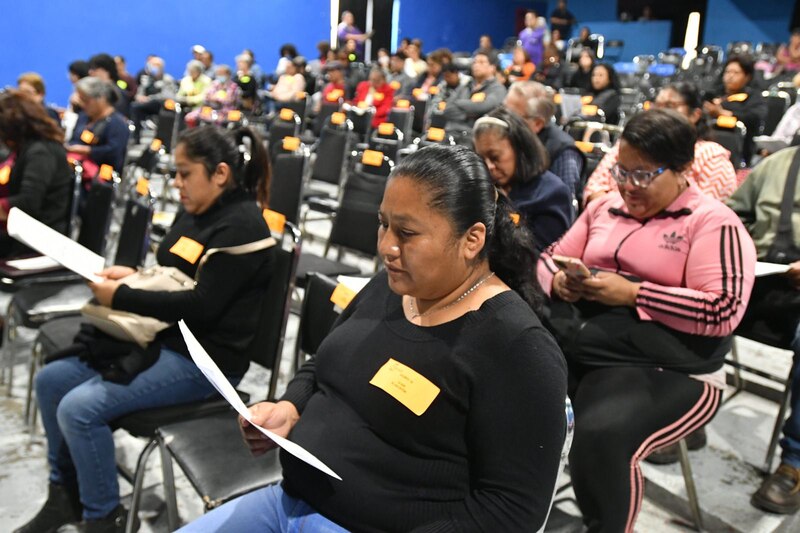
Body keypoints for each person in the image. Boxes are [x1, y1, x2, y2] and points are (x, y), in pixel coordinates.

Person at [178, 144, 568, 533]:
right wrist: (291, 406)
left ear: (472, 240)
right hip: (288, 502)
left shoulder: (518, 346)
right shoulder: (392, 286)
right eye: (384, 225)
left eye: (407, 233)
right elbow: (322, 364)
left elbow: (511, 511)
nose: (385, 247)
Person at [14, 125, 274, 533]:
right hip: (161, 338)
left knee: (79, 410)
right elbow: (173, 274)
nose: (177, 184)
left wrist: (119, 296)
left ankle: (102, 518)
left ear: (220, 174)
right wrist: (132, 275)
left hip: (205, 360)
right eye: (175, 173)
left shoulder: (244, 227)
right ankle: (64, 496)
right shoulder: (199, 212)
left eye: (185, 173)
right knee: (51, 381)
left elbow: (201, 306)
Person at [537, 109, 755, 532]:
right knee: (509, 394)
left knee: (602, 437)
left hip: (672, 365)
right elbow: (548, 258)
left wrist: (636, 292)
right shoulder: (604, 208)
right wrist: (561, 281)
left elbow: (723, 310)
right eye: (622, 170)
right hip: (594, 344)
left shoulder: (712, 223)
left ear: (682, 170)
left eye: (643, 175)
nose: (628, 186)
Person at [726, 147, 800, 515]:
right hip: (764, 274)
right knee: (703, 296)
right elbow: (731, 215)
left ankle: (796, 461)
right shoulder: (777, 164)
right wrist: (744, 250)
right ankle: (684, 412)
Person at [585, 82, 738, 206]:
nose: (661, 112)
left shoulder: (712, 156)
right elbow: (594, 188)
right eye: (657, 105)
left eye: (670, 106)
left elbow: (708, 214)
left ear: (695, 115)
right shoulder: (629, 145)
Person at [473, 107, 573, 251]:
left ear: (520, 150)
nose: (488, 166)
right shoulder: (481, 188)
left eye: (495, 157)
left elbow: (540, 258)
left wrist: (502, 209)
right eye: (482, 159)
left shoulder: (552, 194)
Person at [0, 90, 72, 257]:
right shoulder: (28, 147)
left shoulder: (41, 151)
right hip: (24, 231)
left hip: (37, 239)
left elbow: (28, 202)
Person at [504, 81, 584, 201]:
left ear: (537, 123)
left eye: (512, 116)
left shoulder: (563, 152)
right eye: (503, 110)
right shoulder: (504, 137)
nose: (503, 119)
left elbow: (562, 204)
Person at [703, 54, 767, 166]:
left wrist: (723, 113)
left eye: (736, 73)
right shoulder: (714, 95)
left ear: (747, 77)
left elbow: (754, 117)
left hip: (739, 149)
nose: (730, 76)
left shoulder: (752, 97)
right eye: (727, 72)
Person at [65, 77, 130, 177]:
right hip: (75, 168)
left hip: (102, 176)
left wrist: (88, 150)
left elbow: (114, 153)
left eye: (85, 100)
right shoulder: (83, 116)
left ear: (100, 99)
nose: (82, 104)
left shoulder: (117, 123)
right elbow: (73, 140)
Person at [442, 51, 508, 142]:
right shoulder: (466, 85)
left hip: (475, 139)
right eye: (475, 62)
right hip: (450, 135)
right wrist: (470, 115)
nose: (476, 65)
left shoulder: (498, 89)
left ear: (492, 67)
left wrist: (458, 105)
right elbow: (447, 108)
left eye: (481, 62)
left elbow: (484, 107)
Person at [129, 56, 177, 143]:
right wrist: (139, 97)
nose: (155, 67)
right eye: (152, 65)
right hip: (147, 105)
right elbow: (140, 92)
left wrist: (150, 98)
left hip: (161, 105)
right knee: (135, 107)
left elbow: (168, 95)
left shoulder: (167, 79)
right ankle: (136, 138)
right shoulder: (146, 79)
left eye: (157, 65)